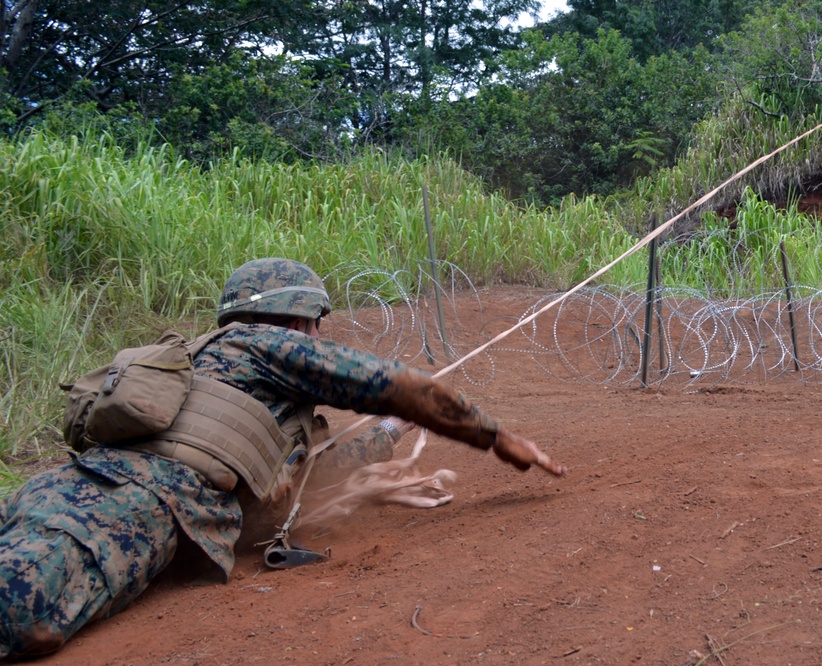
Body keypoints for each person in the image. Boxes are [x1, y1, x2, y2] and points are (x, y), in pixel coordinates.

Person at [0, 257, 564, 659]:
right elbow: (392, 383)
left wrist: (395, 427)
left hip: (72, 492)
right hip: (123, 505)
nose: (319, 335)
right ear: (297, 321)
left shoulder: (242, 383)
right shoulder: (262, 344)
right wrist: (491, 435)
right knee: (18, 614)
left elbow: (310, 478)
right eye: (317, 324)